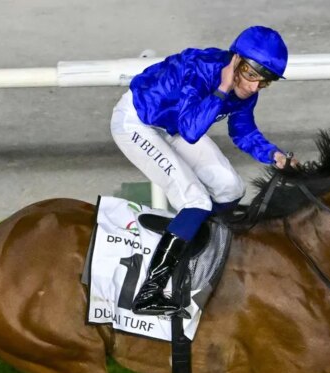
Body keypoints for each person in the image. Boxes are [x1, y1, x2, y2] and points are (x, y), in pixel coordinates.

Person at [110, 25, 298, 316]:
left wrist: (274, 155)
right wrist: (222, 89)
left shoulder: (247, 87)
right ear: (236, 60)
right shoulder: (200, 68)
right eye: (251, 75)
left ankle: (193, 247)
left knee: (231, 188)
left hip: (172, 127)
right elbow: (190, 130)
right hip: (138, 122)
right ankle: (149, 293)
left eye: (263, 82)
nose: (253, 88)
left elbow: (243, 131)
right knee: (196, 200)